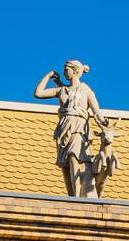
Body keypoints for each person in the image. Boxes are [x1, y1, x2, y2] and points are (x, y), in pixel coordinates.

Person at [34, 60, 109, 197]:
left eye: (66, 70)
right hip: (63, 128)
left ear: (75, 71)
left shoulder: (86, 90)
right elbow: (38, 93)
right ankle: (72, 197)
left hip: (79, 126)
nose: (63, 72)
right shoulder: (62, 90)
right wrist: (48, 76)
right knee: (65, 165)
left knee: (74, 156)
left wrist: (103, 122)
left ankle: (77, 197)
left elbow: (96, 111)